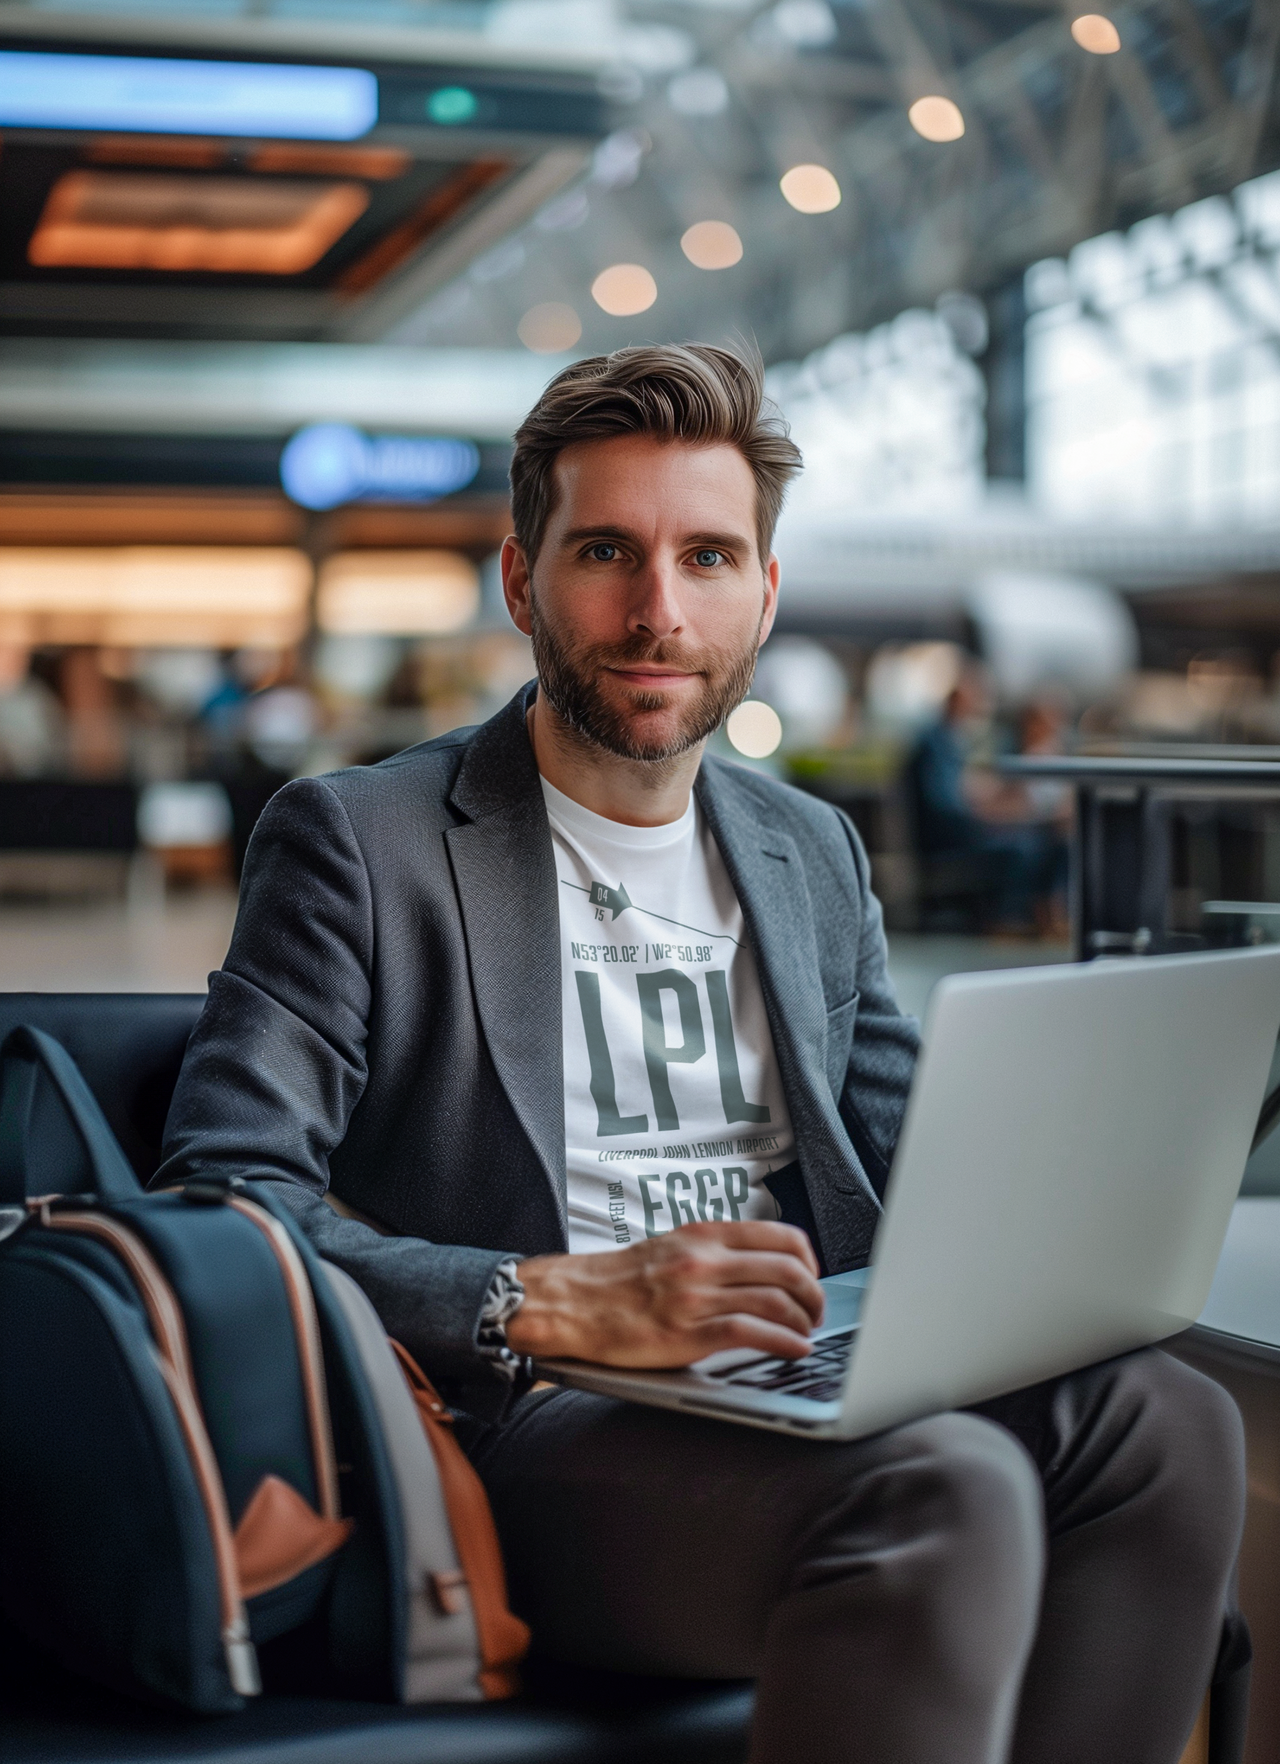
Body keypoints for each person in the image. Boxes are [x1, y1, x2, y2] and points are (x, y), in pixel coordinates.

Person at [156, 345, 1243, 1764]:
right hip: (529, 1425)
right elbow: (218, 1201)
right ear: (521, 580)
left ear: (765, 592)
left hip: (798, 1371)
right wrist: (540, 1302)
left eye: (709, 557)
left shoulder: (805, 847)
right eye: (606, 550)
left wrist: (1094, 1186)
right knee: (946, 1488)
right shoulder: (363, 843)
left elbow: (925, 1160)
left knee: (1170, 1424)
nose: (659, 611)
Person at [907, 661, 1068, 933]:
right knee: (1023, 846)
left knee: (1045, 842)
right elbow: (947, 807)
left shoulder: (951, 741)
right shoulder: (935, 742)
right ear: (957, 699)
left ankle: (1042, 918)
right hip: (948, 839)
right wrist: (984, 816)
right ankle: (1008, 920)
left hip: (960, 828)